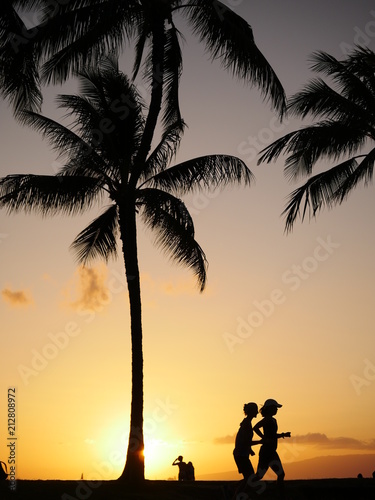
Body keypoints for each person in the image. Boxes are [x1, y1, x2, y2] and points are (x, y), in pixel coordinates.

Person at [253, 399, 291, 497]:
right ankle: (281, 495)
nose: (276, 410)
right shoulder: (267, 419)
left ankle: (280, 495)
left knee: (261, 476)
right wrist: (264, 438)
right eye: (275, 408)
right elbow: (256, 427)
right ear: (270, 409)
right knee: (261, 476)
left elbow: (272, 435)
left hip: (271, 451)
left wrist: (283, 435)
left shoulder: (273, 420)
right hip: (267, 452)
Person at [232, 402, 263, 498]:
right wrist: (260, 442)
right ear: (251, 411)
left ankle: (235, 492)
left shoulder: (246, 423)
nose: (257, 413)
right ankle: (236, 494)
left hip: (241, 454)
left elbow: (244, 441)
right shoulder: (247, 424)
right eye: (255, 410)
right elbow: (246, 441)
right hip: (241, 455)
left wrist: (249, 450)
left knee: (248, 478)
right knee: (250, 478)